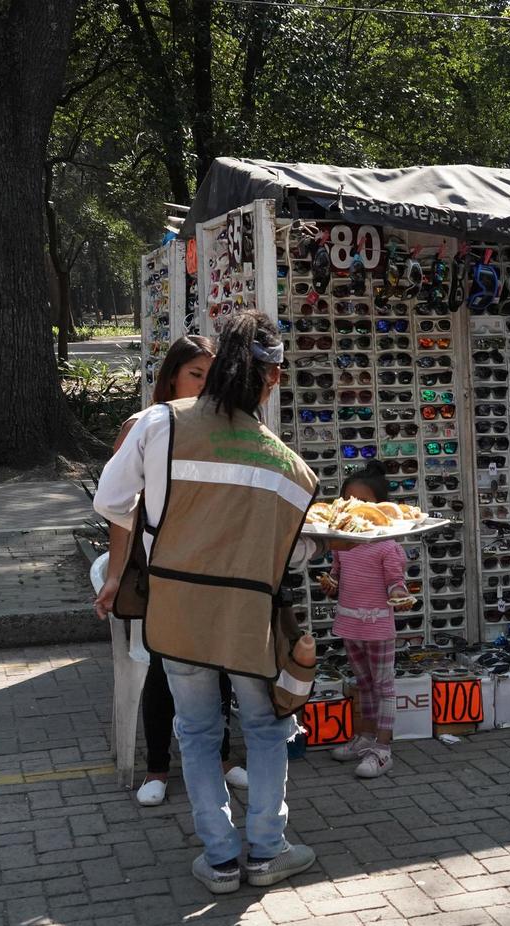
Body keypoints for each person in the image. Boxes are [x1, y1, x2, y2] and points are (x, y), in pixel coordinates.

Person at [94, 312, 320, 895]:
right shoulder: (291, 469)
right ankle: (268, 850)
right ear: (270, 379)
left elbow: (113, 499)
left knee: (195, 730)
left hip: (177, 609)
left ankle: (219, 859)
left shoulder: (160, 422)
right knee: (267, 728)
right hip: (249, 618)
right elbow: (293, 557)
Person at [94, 335, 250, 807]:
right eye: (194, 375)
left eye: (210, 376)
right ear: (171, 378)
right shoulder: (145, 425)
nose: (202, 386)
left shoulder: (225, 427)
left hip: (215, 568)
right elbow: (120, 510)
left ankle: (222, 758)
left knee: (218, 663)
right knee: (161, 666)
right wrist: (117, 574)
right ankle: (157, 766)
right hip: (161, 572)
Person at [319, 461, 413, 778]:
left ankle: (383, 749)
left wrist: (399, 595)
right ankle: (365, 738)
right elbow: (336, 578)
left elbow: (395, 582)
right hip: (349, 624)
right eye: (347, 500)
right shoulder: (341, 543)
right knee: (363, 684)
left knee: (383, 686)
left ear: (379, 508)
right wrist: (330, 586)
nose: (353, 508)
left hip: (378, 627)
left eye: (362, 502)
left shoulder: (387, 545)